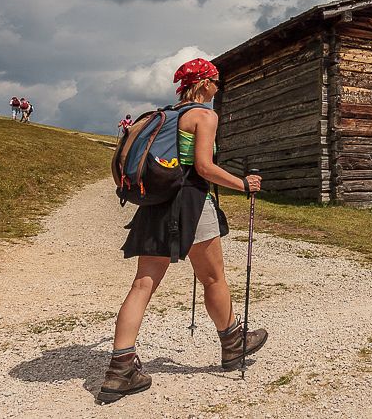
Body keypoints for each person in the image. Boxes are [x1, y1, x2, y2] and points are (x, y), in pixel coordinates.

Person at [99, 58, 267, 404]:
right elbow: (204, 167)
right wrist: (243, 184)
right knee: (213, 278)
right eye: (216, 81)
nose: (218, 87)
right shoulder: (205, 116)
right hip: (190, 204)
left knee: (143, 283)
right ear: (204, 83)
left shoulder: (161, 118)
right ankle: (233, 343)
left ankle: (120, 370)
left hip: (155, 204)